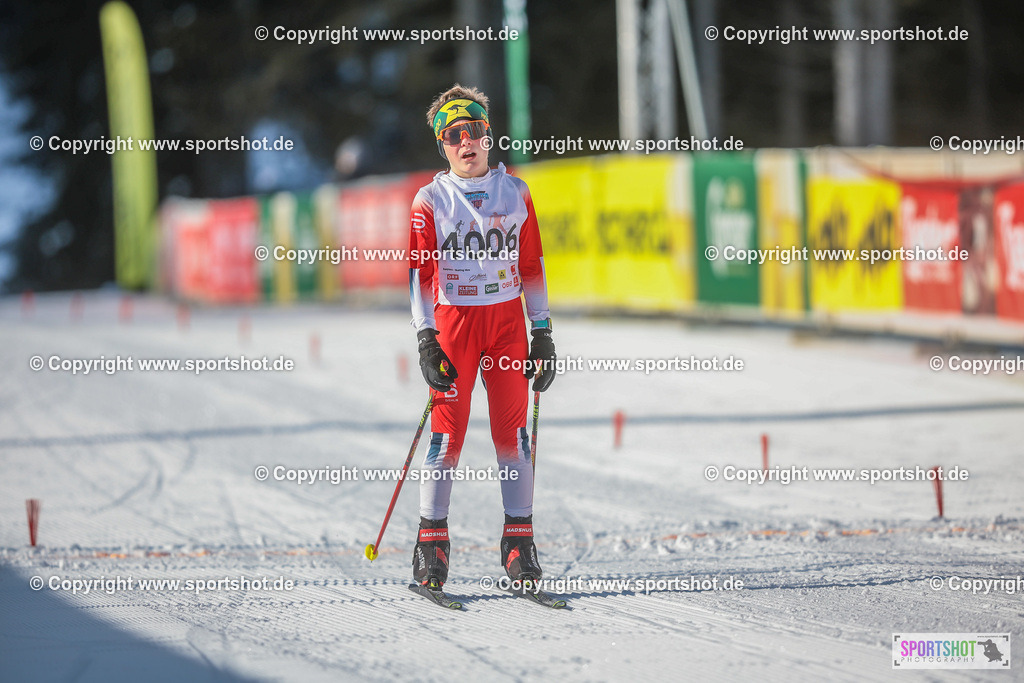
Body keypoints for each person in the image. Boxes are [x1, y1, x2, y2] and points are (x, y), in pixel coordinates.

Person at [407, 84, 556, 592]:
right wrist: (426, 338)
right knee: (446, 436)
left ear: (488, 136)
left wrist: (543, 331)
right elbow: (420, 275)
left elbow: (532, 264)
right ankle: (431, 545)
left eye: (474, 131)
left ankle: (519, 543)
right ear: (443, 146)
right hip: (456, 326)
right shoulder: (431, 200)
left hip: (506, 324)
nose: (466, 142)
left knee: (513, 435)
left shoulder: (516, 192)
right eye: (454, 135)